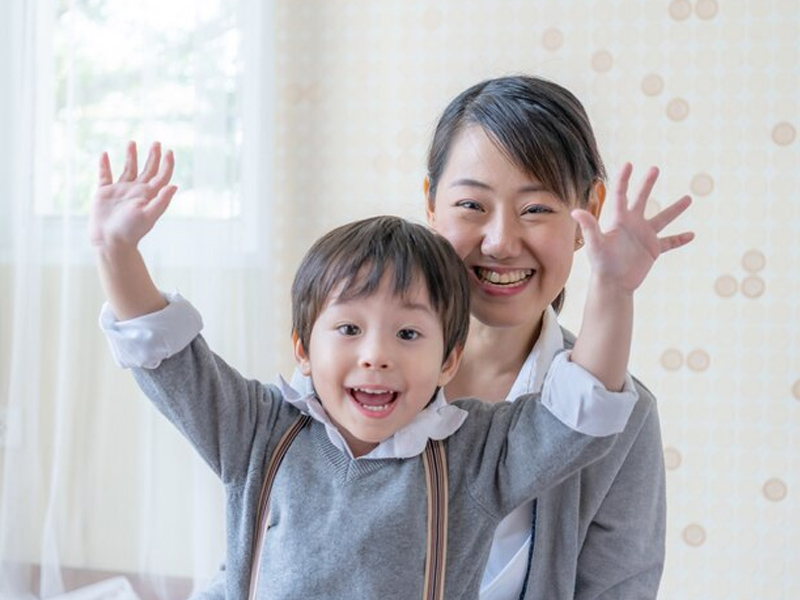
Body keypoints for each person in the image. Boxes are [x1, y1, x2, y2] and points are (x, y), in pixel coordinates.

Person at [90, 135, 690, 597]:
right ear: (302, 347)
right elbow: (168, 356)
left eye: (407, 333)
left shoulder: (474, 455)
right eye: (349, 329)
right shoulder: (258, 431)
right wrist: (116, 250)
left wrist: (613, 289)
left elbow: (580, 411)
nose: (376, 355)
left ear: (448, 359)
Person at [422, 75, 689, 599]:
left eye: (536, 209)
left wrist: (615, 289)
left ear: (588, 209)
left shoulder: (623, 417)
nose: (501, 243)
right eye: (472, 205)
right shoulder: (363, 371)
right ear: (430, 204)